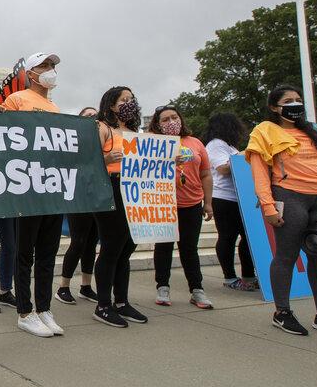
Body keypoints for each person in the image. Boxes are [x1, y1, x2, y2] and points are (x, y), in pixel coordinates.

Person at [246, 85, 317, 337]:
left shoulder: (316, 130)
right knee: (286, 256)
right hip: (289, 198)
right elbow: (259, 174)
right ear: (274, 107)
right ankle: (282, 312)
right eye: (288, 101)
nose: (295, 104)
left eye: (298, 100)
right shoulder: (264, 132)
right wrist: (268, 206)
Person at [0, 52, 65, 338]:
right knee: (25, 253)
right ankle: (25, 311)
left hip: (50, 186)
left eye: (52, 66)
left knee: (48, 252)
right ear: (31, 73)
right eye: (44, 66)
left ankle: (44, 308)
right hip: (27, 187)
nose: (50, 70)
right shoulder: (17, 99)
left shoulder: (54, 107)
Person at [91, 87, 148, 328]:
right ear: (112, 105)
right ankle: (103, 304)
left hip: (134, 191)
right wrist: (105, 160)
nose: (129, 103)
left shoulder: (136, 132)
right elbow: (85, 162)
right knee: (112, 247)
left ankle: (122, 301)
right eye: (124, 100)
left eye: (131, 99)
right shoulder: (101, 128)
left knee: (127, 247)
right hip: (110, 190)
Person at [148, 106, 214, 309]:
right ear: (158, 124)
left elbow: (205, 174)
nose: (171, 122)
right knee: (163, 247)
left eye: (174, 117)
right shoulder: (153, 143)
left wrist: (208, 203)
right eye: (165, 119)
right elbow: (144, 169)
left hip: (192, 204)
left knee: (189, 249)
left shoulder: (195, 143)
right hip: (165, 203)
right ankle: (163, 287)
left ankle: (197, 290)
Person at [204, 112, 257, 291]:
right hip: (223, 197)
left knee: (248, 238)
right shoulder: (216, 145)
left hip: (238, 197)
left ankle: (248, 275)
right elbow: (223, 168)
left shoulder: (229, 146)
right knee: (228, 237)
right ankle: (230, 277)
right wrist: (244, 155)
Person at [56, 106, 100, 305]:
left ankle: (86, 285)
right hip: (78, 197)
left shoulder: (102, 142)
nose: (93, 118)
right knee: (78, 241)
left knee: (91, 243)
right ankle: (63, 287)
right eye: (88, 115)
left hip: (96, 198)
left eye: (95, 115)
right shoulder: (72, 143)